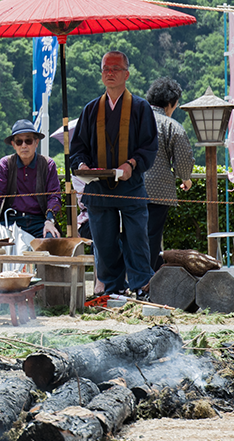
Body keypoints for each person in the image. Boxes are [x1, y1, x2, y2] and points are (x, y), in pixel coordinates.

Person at [68, 51, 158, 297]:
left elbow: (149, 146)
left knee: (137, 238)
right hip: (98, 186)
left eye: (115, 68)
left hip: (131, 185)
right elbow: (77, 149)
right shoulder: (90, 110)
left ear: (126, 74)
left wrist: (132, 164)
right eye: (106, 68)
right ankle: (110, 288)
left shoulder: (141, 108)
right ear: (101, 74)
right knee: (104, 242)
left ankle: (141, 285)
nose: (110, 72)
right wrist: (83, 166)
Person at [0, 120, 61, 242]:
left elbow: (54, 196)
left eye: (28, 141)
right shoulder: (5, 164)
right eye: (19, 141)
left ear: (36, 142)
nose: (24, 145)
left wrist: (49, 221)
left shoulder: (48, 164)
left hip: (40, 222)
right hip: (11, 222)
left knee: (52, 241)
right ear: (13, 145)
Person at [144, 77, 194, 272]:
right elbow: (182, 160)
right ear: (170, 104)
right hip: (158, 191)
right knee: (152, 236)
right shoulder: (170, 126)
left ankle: (133, 278)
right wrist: (185, 178)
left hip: (127, 188)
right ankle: (147, 280)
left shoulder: (132, 121)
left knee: (130, 236)